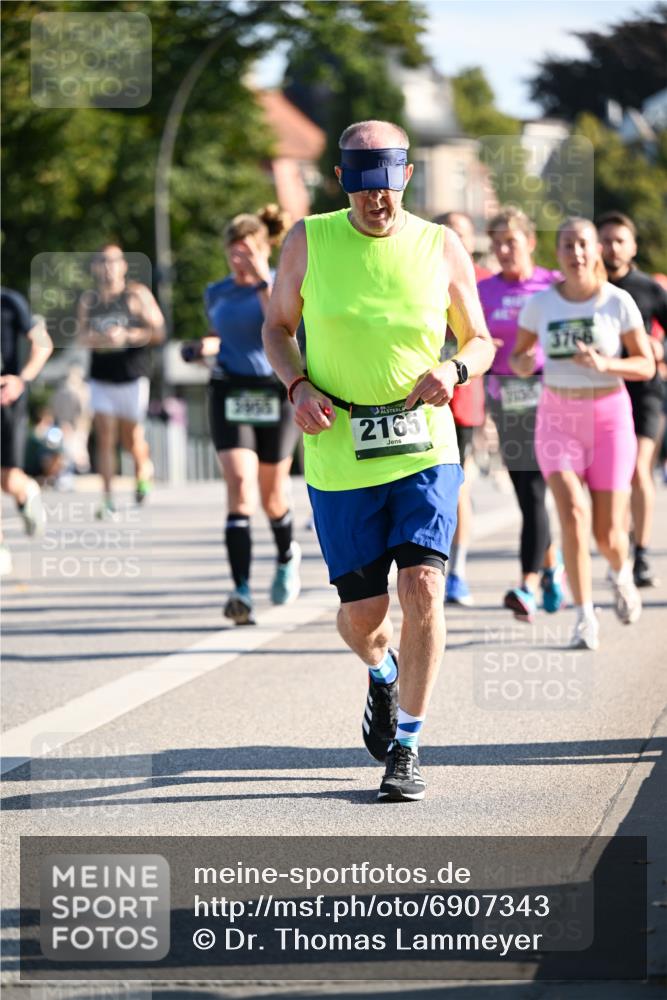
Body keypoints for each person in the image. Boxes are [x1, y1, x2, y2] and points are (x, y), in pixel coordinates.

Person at [262, 120, 494, 802]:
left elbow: (479, 338)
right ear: (341, 183)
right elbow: (275, 328)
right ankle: (382, 672)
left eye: (386, 185)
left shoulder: (439, 244)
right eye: (362, 187)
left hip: (423, 445)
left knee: (422, 588)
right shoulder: (308, 238)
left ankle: (409, 744)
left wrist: (453, 371)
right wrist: (296, 385)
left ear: (405, 178)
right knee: (363, 616)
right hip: (338, 452)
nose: (376, 200)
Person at [511, 217, 654, 650]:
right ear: (557, 254)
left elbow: (645, 364)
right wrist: (524, 360)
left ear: (596, 252)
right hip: (557, 416)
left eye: (583, 245)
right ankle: (584, 617)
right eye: (568, 245)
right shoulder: (540, 306)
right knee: (572, 511)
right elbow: (519, 358)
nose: (576, 253)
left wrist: (605, 364)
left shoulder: (618, 302)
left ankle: (620, 571)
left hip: (609, 417)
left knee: (608, 535)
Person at [180, 206, 302, 625]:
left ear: (264, 249)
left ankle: (287, 556)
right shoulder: (217, 291)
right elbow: (220, 335)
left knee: (272, 497)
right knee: (240, 488)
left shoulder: (278, 286)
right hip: (230, 391)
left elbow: (280, 324)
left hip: (275, 391)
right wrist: (201, 349)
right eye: (233, 253)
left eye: (247, 251)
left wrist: (261, 278)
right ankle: (241, 590)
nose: (239, 261)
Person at [478, 207, 564, 621]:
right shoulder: (484, 291)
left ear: (530, 242)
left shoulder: (552, 285)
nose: (503, 251)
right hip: (505, 399)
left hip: (552, 399)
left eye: (510, 242)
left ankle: (528, 583)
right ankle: (552, 565)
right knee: (526, 492)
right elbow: (464, 336)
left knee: (534, 493)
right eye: (496, 244)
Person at [596, 211, 667, 588]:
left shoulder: (649, 289)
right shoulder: (586, 290)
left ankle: (640, 553)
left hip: (644, 394)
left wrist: (660, 346)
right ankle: (616, 545)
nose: (612, 246)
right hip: (600, 394)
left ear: (633, 246)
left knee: (639, 469)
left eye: (620, 240)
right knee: (611, 477)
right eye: (605, 239)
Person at [77, 245, 165, 519]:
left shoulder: (136, 295)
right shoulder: (89, 300)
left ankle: (143, 472)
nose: (108, 267)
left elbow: (158, 331)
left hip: (132, 376)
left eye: (113, 262)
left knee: (132, 439)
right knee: (105, 435)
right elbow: (80, 336)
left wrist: (127, 335)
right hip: (101, 377)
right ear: (95, 267)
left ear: (124, 266)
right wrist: (100, 338)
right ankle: (107, 499)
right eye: (102, 262)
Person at [432, 211, 492, 606]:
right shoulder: (418, 274)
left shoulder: (486, 283)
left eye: (464, 234)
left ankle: (457, 573)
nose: (457, 240)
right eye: (450, 233)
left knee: (456, 488)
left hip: (465, 400)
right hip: (418, 396)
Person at [1, 288, 53, 574]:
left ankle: (28, 491)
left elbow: (43, 343)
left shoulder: (10, 301)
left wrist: (21, 380)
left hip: (7, 399)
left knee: (9, 480)